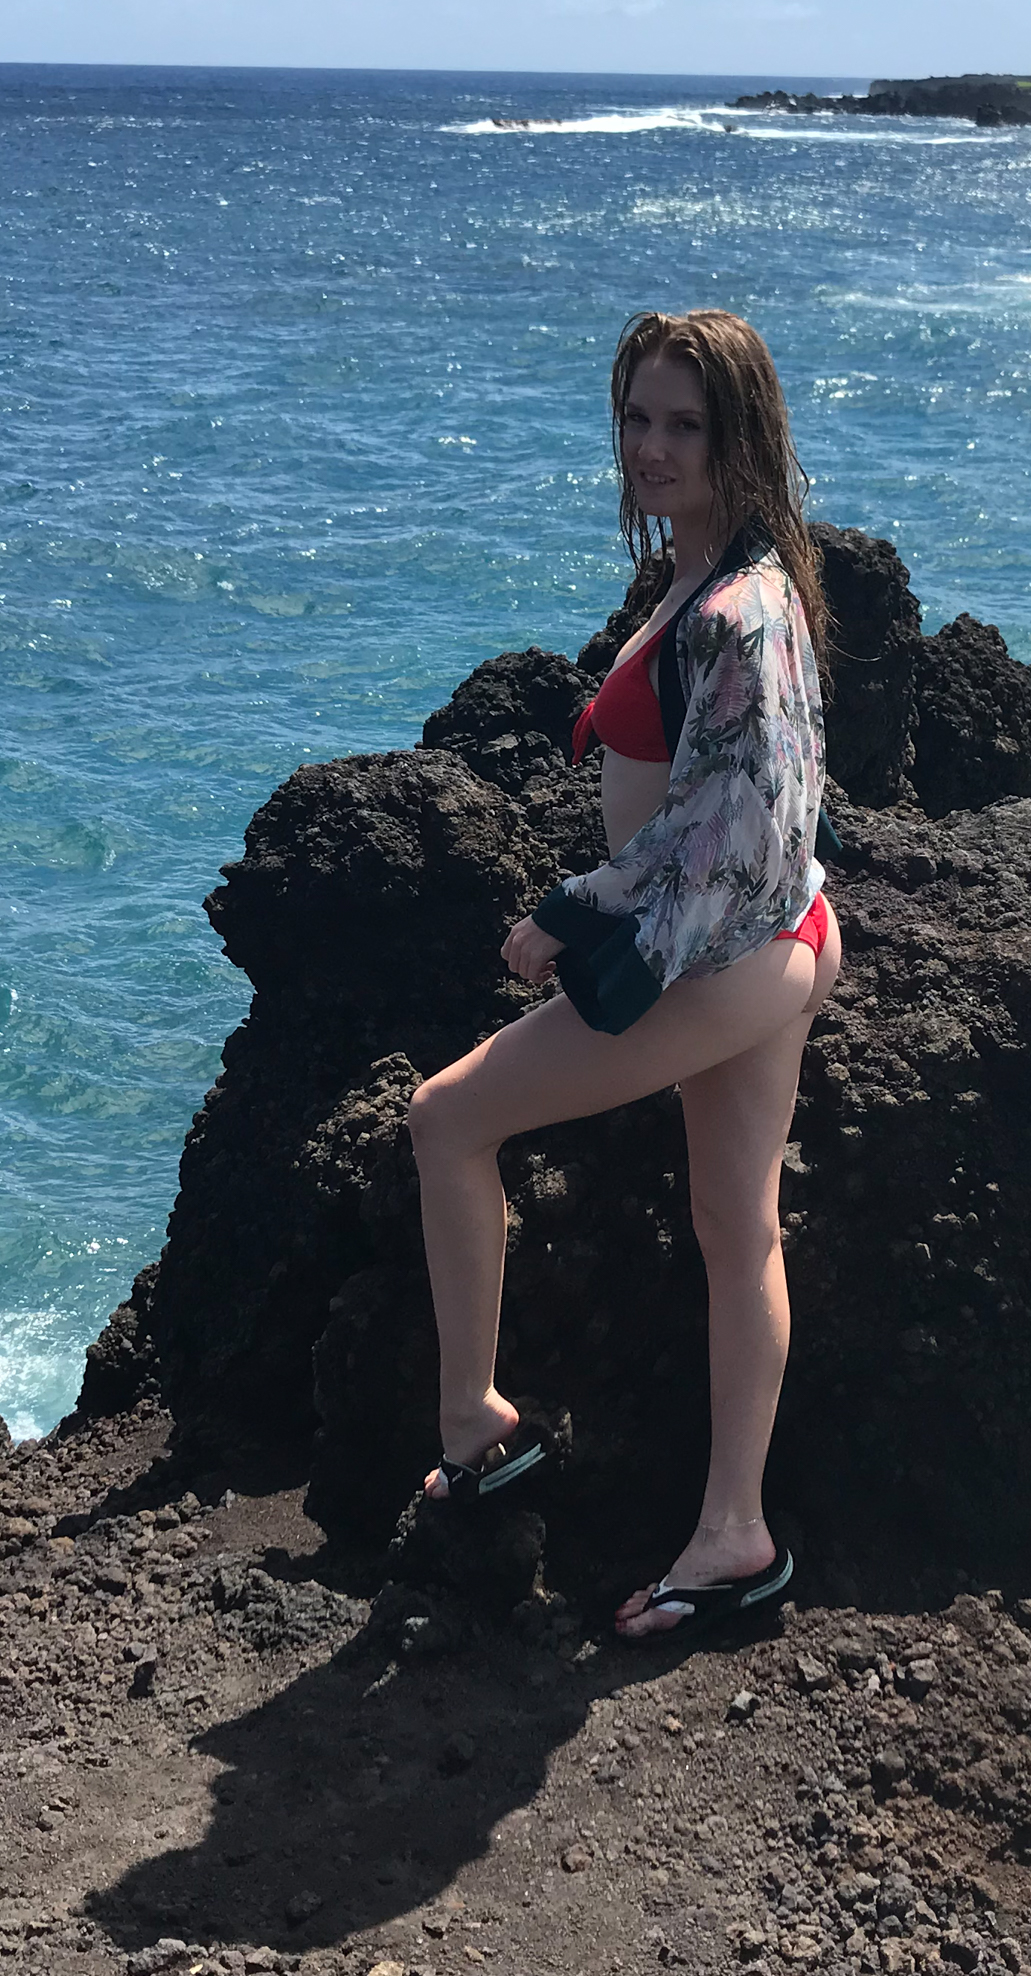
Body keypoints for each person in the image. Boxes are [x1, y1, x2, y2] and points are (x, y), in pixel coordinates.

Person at [403, 308, 841, 1641]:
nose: (652, 448)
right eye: (637, 418)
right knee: (736, 1232)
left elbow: (735, 822)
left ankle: (475, 1424)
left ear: (739, 436)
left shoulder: (740, 608)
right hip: (773, 939)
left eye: (684, 426)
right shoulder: (717, 569)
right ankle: (734, 1534)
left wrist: (578, 915)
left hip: (720, 957)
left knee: (445, 1119)